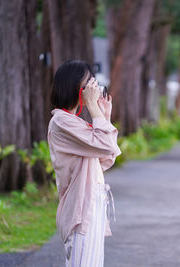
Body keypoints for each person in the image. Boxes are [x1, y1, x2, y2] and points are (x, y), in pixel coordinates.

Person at [47, 59, 122, 266]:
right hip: (81, 208)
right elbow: (106, 145)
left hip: (94, 203)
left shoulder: (76, 123)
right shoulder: (61, 122)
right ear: (74, 87)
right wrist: (94, 109)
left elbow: (106, 159)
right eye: (88, 84)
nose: (93, 89)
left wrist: (104, 116)